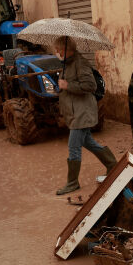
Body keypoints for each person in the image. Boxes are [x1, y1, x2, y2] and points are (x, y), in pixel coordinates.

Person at [54, 36, 117, 195]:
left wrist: (67, 85)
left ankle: (72, 182)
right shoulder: (67, 65)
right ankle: (112, 165)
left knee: (73, 147)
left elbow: (90, 85)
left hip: (82, 113)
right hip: (76, 112)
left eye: (59, 49)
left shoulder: (80, 63)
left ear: (67, 49)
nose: (57, 52)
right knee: (88, 142)